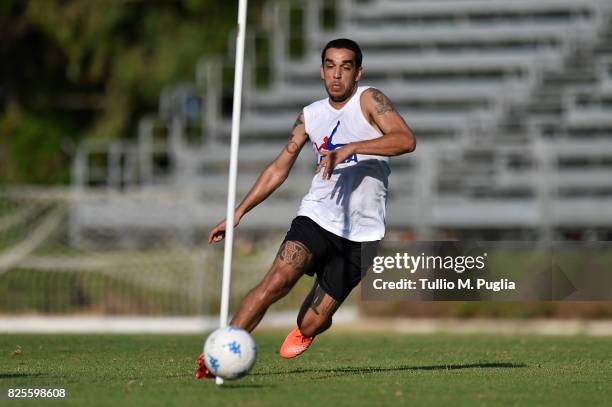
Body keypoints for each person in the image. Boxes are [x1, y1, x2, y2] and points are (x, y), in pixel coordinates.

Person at [196, 38, 415, 379]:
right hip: (317, 216)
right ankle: (220, 352)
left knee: (310, 321)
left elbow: (405, 140)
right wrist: (239, 213)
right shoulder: (310, 116)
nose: (337, 75)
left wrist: (350, 148)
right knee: (276, 280)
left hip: (363, 233)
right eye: (330, 66)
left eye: (345, 67)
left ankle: (306, 330)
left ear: (359, 72)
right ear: (321, 70)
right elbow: (278, 168)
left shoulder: (370, 99)